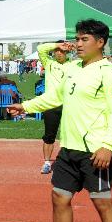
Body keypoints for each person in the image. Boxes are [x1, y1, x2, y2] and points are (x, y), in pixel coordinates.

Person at [8, 19, 112, 222]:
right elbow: (55, 97)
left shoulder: (109, 72)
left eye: (84, 39)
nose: (78, 44)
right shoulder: (72, 67)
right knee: (59, 197)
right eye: (78, 38)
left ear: (100, 42)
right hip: (68, 149)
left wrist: (108, 145)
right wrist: (25, 106)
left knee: (102, 202)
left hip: (95, 150)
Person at [37, 41, 74, 174]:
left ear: (67, 52)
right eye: (57, 51)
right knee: (49, 136)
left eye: (62, 51)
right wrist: (57, 45)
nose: (59, 53)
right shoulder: (49, 64)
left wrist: (73, 46)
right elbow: (40, 48)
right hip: (51, 105)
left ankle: (70, 162)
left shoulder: (74, 65)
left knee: (70, 135)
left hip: (68, 105)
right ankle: (47, 163)